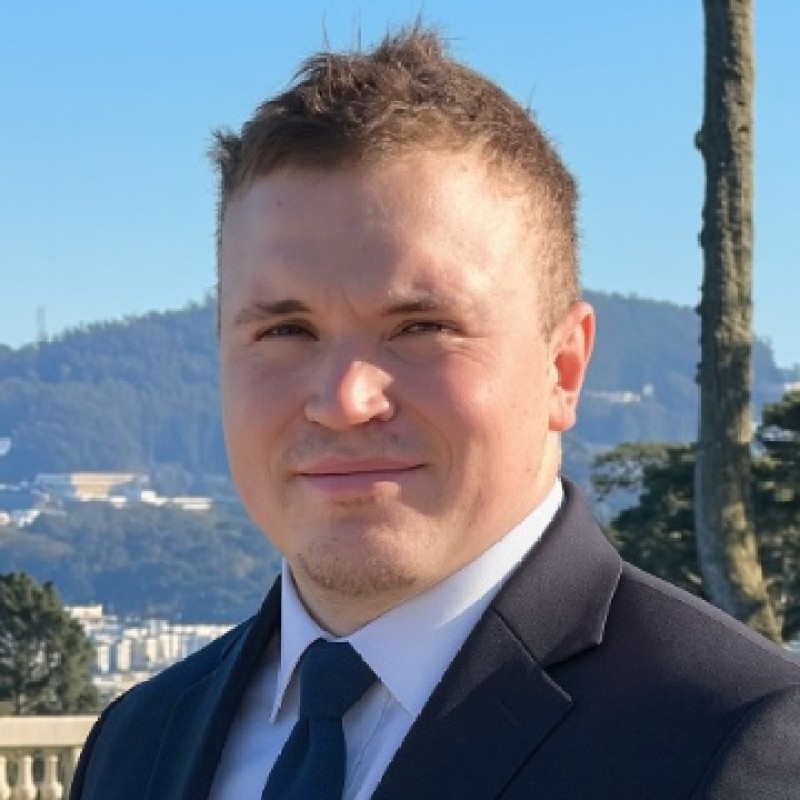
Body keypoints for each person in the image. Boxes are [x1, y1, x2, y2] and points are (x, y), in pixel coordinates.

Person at [70, 25, 800, 800]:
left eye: (421, 327)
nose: (344, 401)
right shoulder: (137, 742)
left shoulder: (734, 745)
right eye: (285, 331)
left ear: (563, 368)